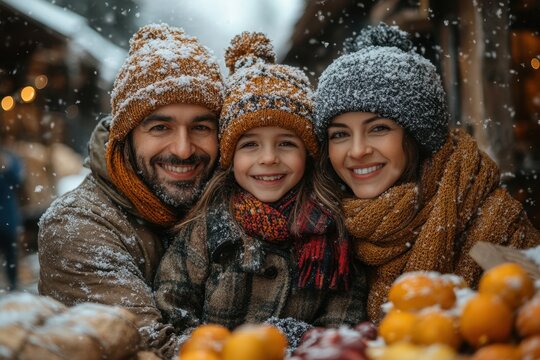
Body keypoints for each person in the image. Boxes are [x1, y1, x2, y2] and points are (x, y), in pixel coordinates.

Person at [315, 23, 540, 322]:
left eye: (378, 128)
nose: (357, 151)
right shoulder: (321, 231)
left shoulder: (493, 221)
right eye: (339, 135)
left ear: (418, 136)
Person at [155, 32, 366, 350]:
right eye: (250, 144)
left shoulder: (331, 230)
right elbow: (172, 308)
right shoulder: (207, 229)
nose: (268, 158)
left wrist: (294, 342)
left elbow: (343, 322)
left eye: (285, 143)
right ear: (231, 158)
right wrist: (210, 349)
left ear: (308, 155)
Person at [38, 23, 224, 358]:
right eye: (160, 127)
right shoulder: (77, 225)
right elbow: (151, 347)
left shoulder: (228, 201)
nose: (183, 149)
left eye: (200, 127)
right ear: (126, 136)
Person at [0, 148, 24, 291]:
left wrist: (6, 168)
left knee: (11, 254)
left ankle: (13, 284)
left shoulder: (9, 159)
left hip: (8, 217)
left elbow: (18, 181)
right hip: (8, 216)